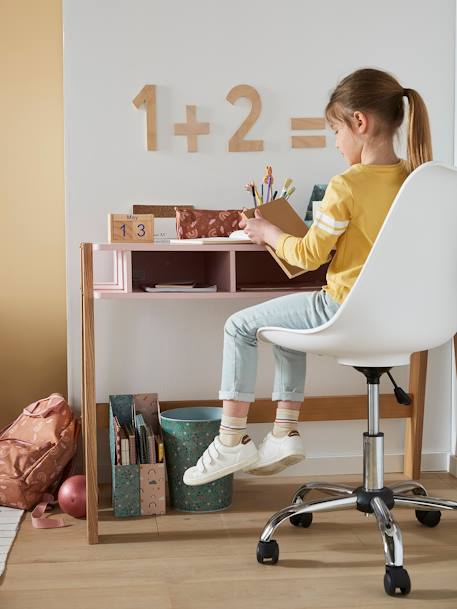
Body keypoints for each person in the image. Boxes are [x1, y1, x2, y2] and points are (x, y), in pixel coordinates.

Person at [183, 67, 433, 486]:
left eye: (336, 131)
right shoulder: (418, 180)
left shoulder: (346, 185)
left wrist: (267, 232)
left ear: (359, 122)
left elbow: (309, 255)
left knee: (239, 325)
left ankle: (231, 440)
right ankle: (283, 433)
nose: (336, 143)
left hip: (345, 309)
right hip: (408, 322)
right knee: (286, 322)